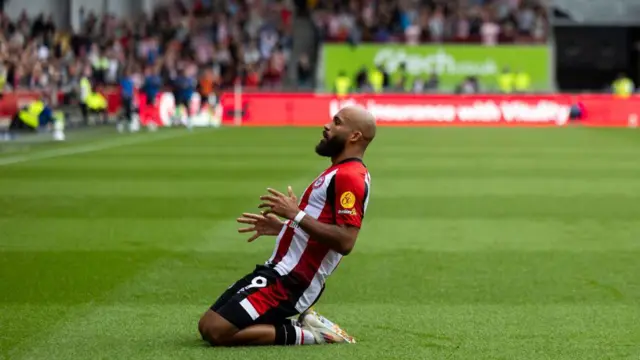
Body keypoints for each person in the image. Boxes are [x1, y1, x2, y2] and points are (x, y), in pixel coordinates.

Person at [198, 105, 377, 347]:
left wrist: (296, 215)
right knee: (207, 324)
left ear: (355, 136)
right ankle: (304, 326)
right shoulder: (339, 171)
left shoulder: (349, 176)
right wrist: (284, 227)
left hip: (293, 280)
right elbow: (320, 225)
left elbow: (346, 241)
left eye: (337, 122)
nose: (327, 126)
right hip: (279, 271)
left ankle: (310, 335)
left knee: (216, 330)